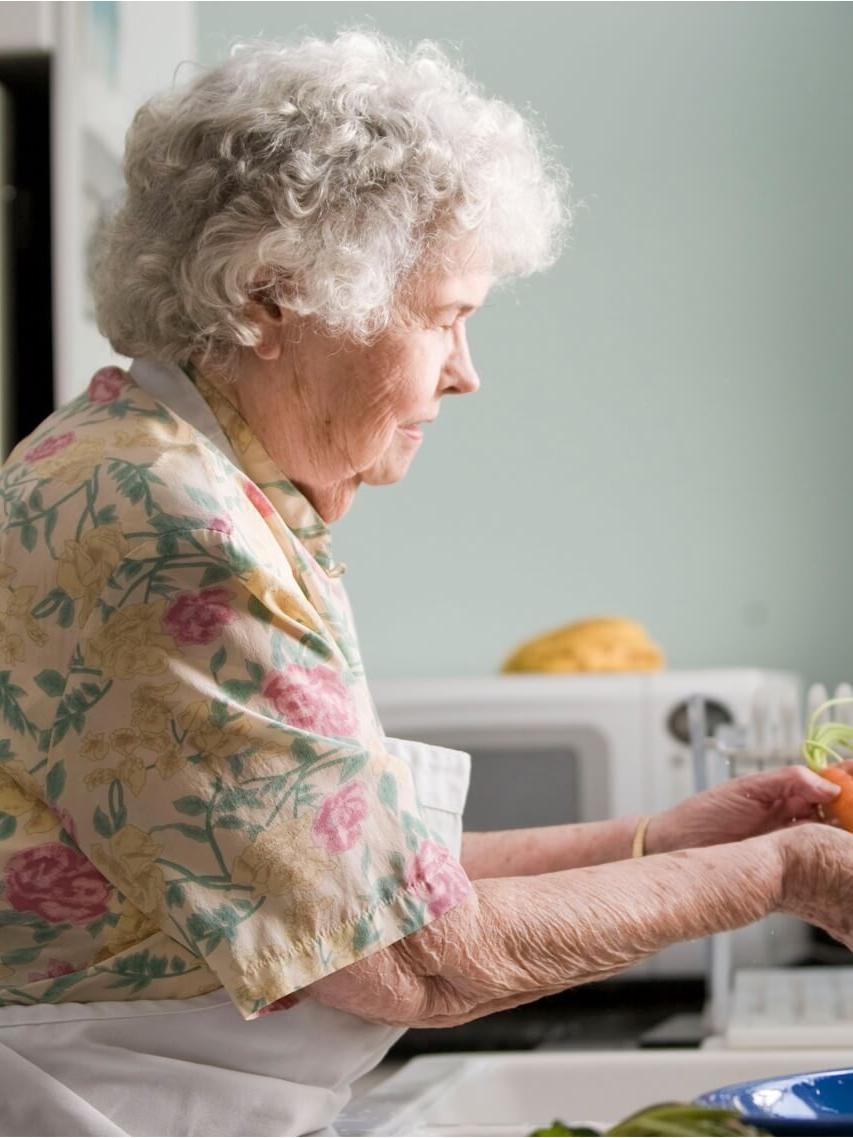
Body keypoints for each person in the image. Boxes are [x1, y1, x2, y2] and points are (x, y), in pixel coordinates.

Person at [0, 29, 850, 1137]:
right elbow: (412, 958)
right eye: (445, 315)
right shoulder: (171, 526)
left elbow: (364, 877)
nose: (465, 370)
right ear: (271, 297)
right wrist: (779, 870)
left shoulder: (156, 467)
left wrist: (672, 844)